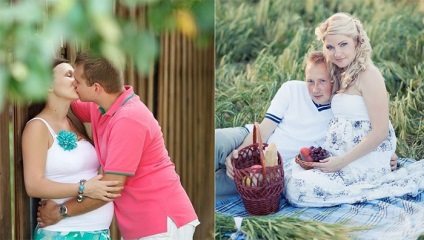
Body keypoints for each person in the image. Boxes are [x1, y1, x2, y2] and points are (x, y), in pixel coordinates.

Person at [37, 52, 200, 239]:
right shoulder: (101, 107)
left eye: (78, 81)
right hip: (142, 225)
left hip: (160, 222)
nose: (74, 84)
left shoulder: (129, 119)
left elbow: (111, 187)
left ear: (96, 88)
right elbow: (62, 107)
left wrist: (60, 211)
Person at [217, 51, 399, 203]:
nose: (314, 89)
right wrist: (239, 153)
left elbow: (362, 136)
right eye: (310, 81)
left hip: (270, 169)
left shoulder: (340, 113)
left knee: (207, 186)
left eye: (322, 81)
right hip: (248, 139)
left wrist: (383, 157)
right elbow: (264, 130)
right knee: (207, 142)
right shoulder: (291, 89)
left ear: (334, 80)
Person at [285, 12, 423, 207]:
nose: (337, 53)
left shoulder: (369, 75)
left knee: (301, 188)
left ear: (357, 41)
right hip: (340, 154)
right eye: (330, 47)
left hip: (359, 160)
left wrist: (344, 162)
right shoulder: (340, 72)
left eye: (343, 44)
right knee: (290, 172)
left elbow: (381, 131)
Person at [22, 58, 122, 239]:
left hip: (99, 233)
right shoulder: (37, 127)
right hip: (62, 233)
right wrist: (84, 188)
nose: (76, 80)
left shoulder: (75, 122)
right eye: (69, 75)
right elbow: (33, 185)